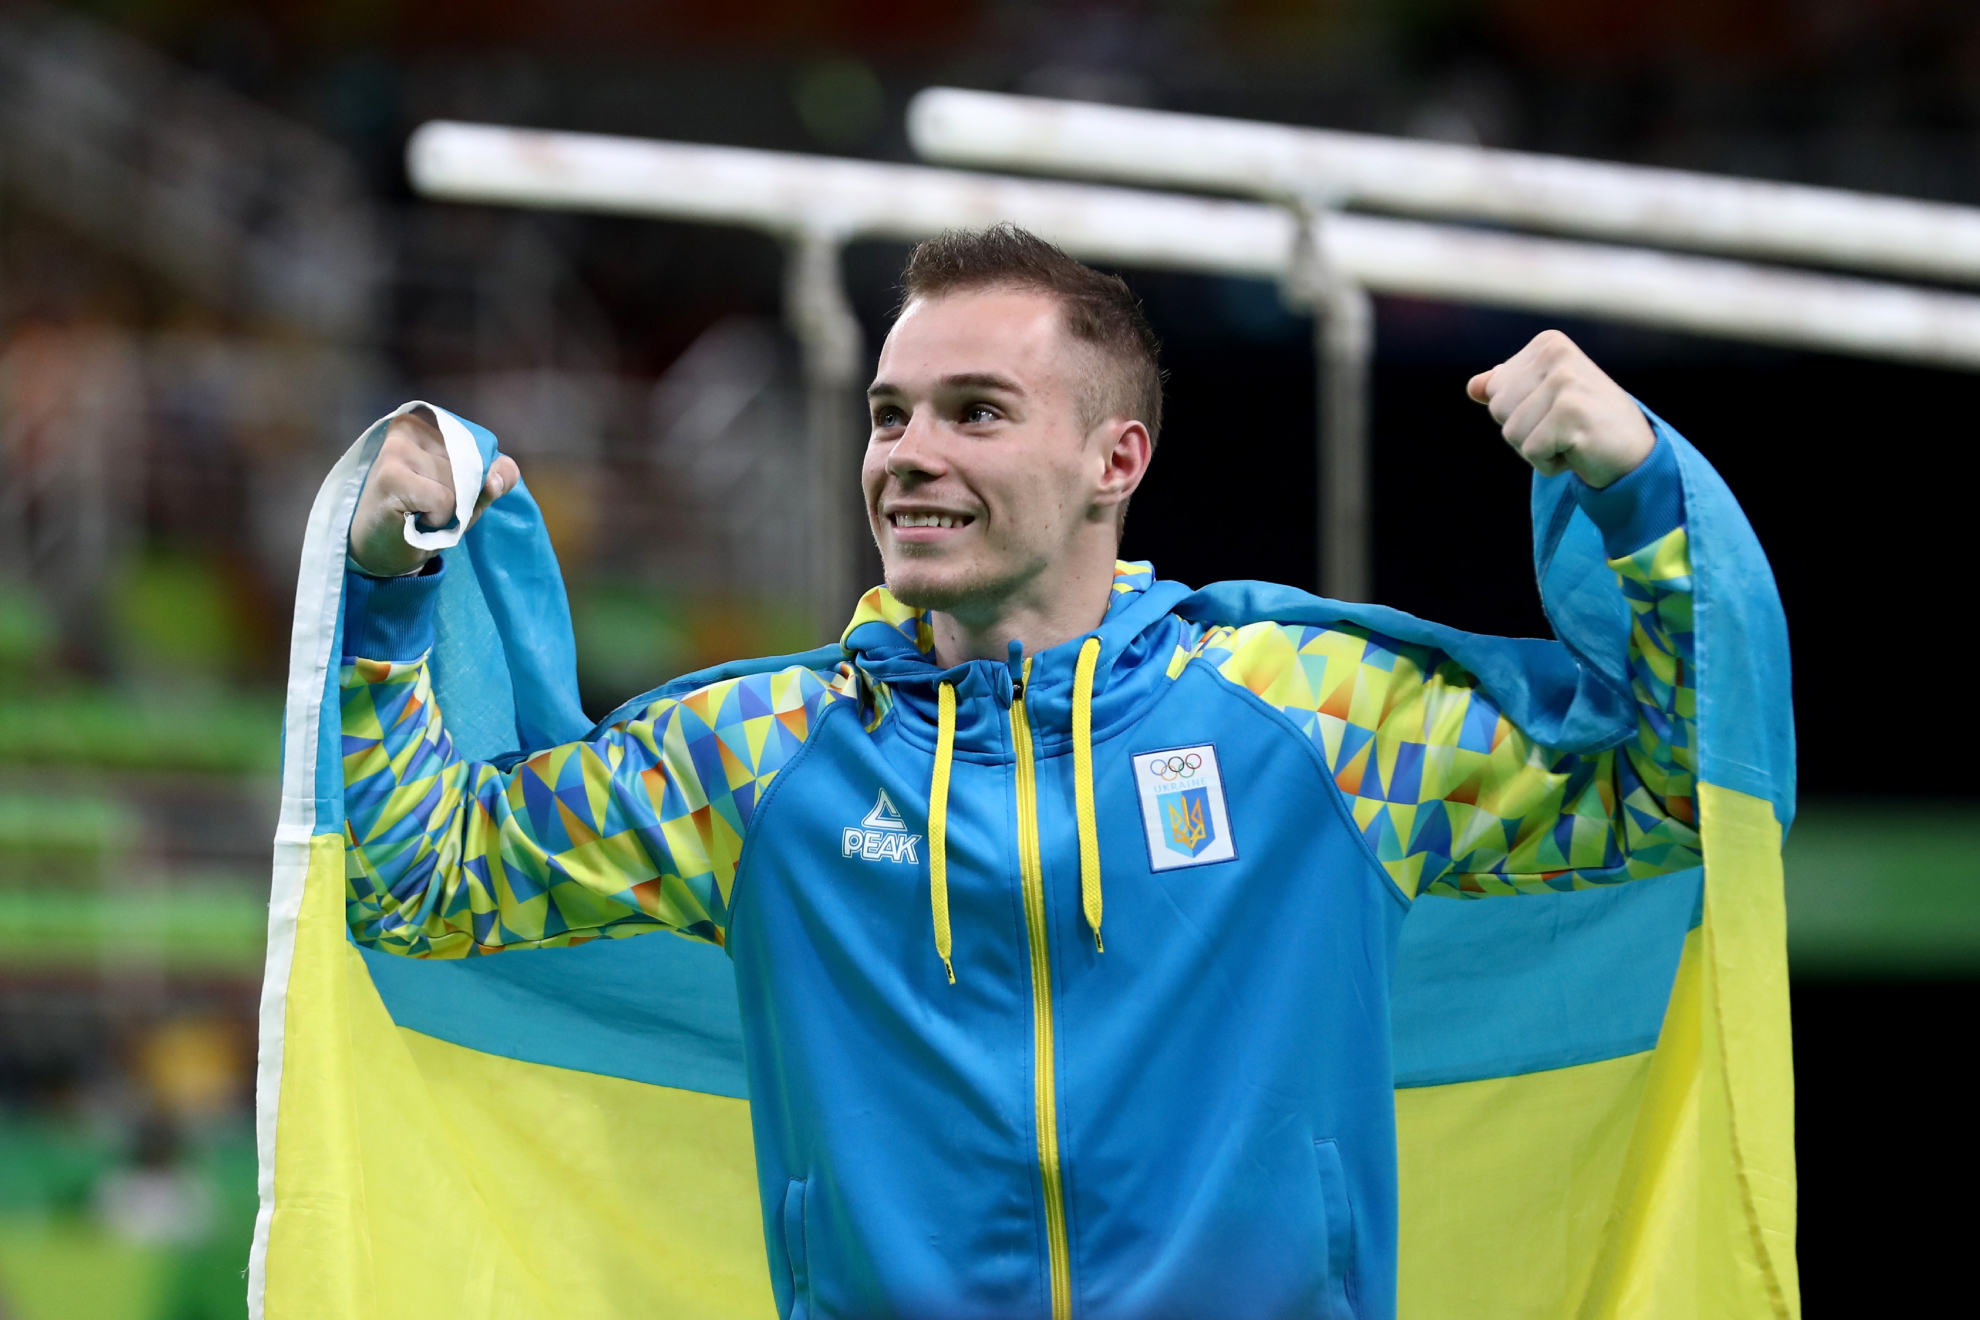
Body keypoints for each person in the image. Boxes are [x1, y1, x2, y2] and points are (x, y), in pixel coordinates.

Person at [338, 225, 1721, 1320]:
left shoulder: (1318, 723)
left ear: (1116, 458)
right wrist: (388, 588)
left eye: (976, 412)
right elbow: (431, 883)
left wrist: (1640, 493)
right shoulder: (756, 763)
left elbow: (1677, 794)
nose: (909, 457)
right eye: (890, 416)